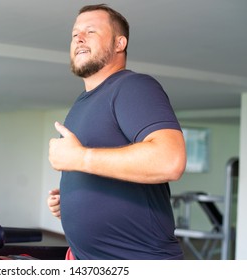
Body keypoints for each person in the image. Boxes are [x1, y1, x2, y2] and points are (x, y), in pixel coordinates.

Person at [47, 4, 186, 260]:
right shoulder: (83, 102)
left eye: (90, 31)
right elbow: (106, 167)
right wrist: (72, 199)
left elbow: (170, 160)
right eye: (75, 34)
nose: (78, 38)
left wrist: (80, 158)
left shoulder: (132, 86)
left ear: (119, 43)